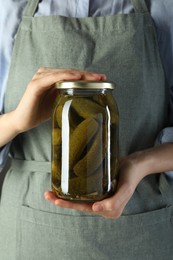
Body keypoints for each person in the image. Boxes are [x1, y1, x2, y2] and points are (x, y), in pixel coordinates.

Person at [0, 0, 173, 259]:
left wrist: (141, 163)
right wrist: (15, 121)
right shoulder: (10, 8)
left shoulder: (164, 7)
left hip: (140, 226)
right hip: (31, 233)